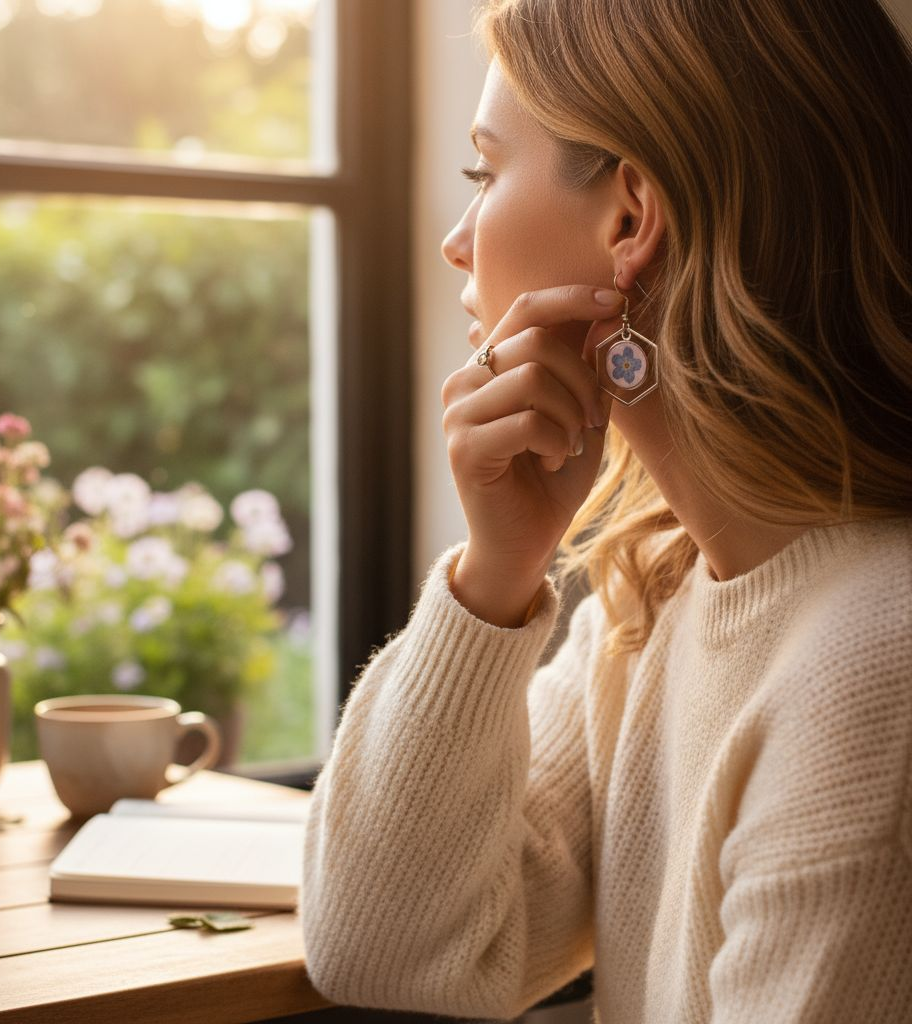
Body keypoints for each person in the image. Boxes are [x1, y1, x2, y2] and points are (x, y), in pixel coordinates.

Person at [300, 0, 912, 1020]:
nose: (457, 241)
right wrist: (492, 576)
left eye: (483, 173)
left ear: (629, 217)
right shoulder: (652, 598)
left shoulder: (872, 669)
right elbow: (385, 948)